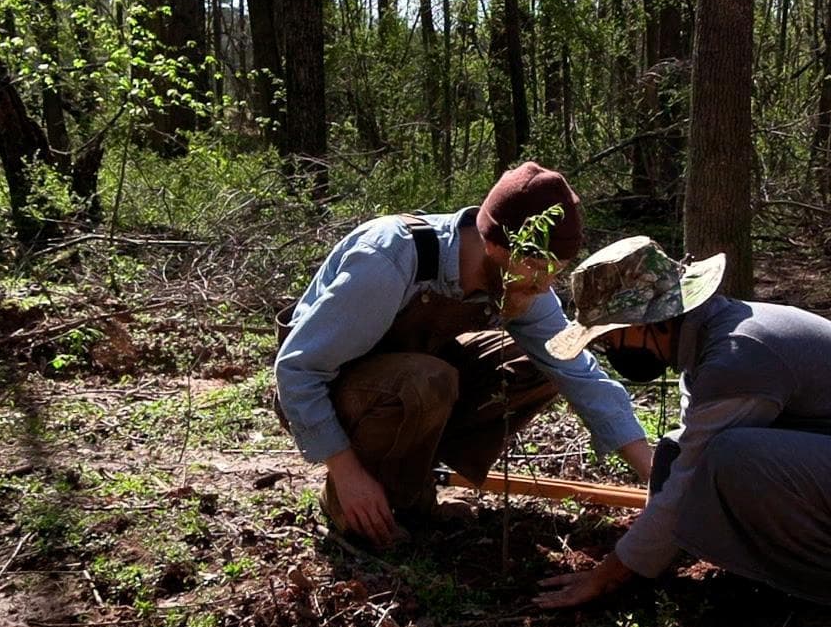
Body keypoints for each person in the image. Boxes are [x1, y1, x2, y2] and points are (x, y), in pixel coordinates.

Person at [533, 237, 831, 622]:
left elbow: (690, 480)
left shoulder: (736, 355)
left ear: (655, 322)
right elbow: (683, 459)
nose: (608, 350)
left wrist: (611, 573)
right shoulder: (715, 338)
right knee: (678, 451)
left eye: (610, 338)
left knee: (732, 456)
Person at [274, 163, 653, 546]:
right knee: (428, 379)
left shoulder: (518, 278)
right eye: (537, 269)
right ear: (494, 245)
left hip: (406, 391)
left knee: (538, 363)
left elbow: (578, 371)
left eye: (555, 273)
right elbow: (297, 370)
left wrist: (654, 476)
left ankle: (412, 476)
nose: (544, 287)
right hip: (330, 394)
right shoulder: (388, 258)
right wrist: (346, 471)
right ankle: (355, 502)